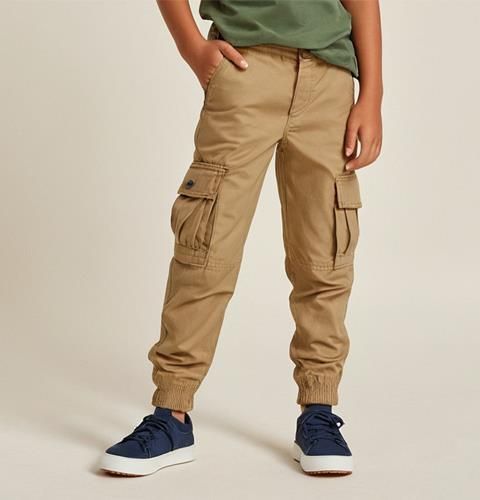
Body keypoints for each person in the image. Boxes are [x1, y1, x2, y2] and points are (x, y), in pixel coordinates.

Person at [99, 0, 382, 477]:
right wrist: (193, 48)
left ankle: (319, 410)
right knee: (206, 248)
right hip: (246, 66)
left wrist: (372, 93)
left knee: (325, 254)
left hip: (330, 77)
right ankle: (171, 414)